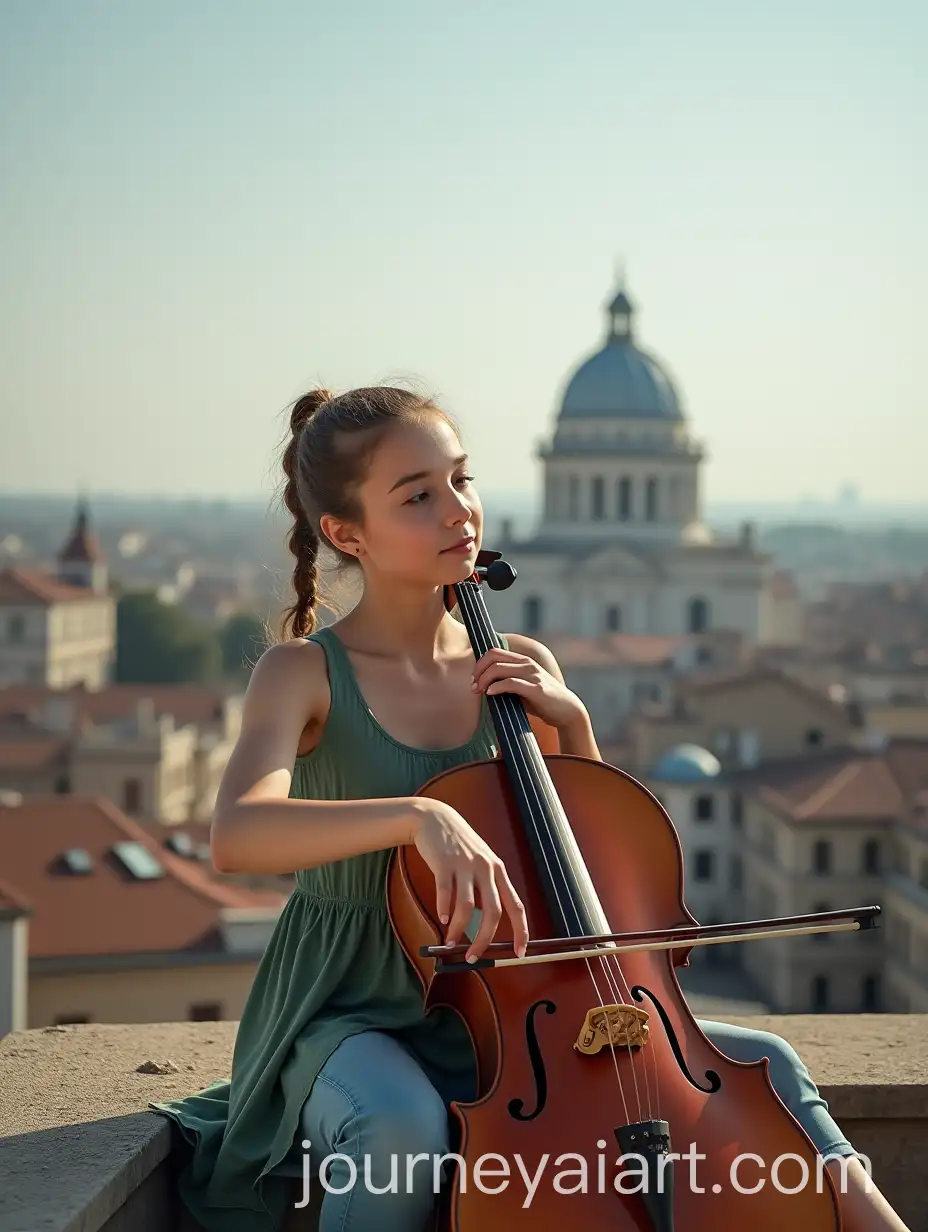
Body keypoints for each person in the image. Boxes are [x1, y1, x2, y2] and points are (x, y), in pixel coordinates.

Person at [151, 384, 910, 1232]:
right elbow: (238, 833)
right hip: (351, 1005)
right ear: (344, 532)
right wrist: (419, 816)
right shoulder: (303, 671)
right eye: (418, 496)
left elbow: (584, 862)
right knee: (402, 1127)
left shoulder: (517, 662)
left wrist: (573, 724)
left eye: (461, 480)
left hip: (514, 1002)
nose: (458, 512)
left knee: (770, 1061)